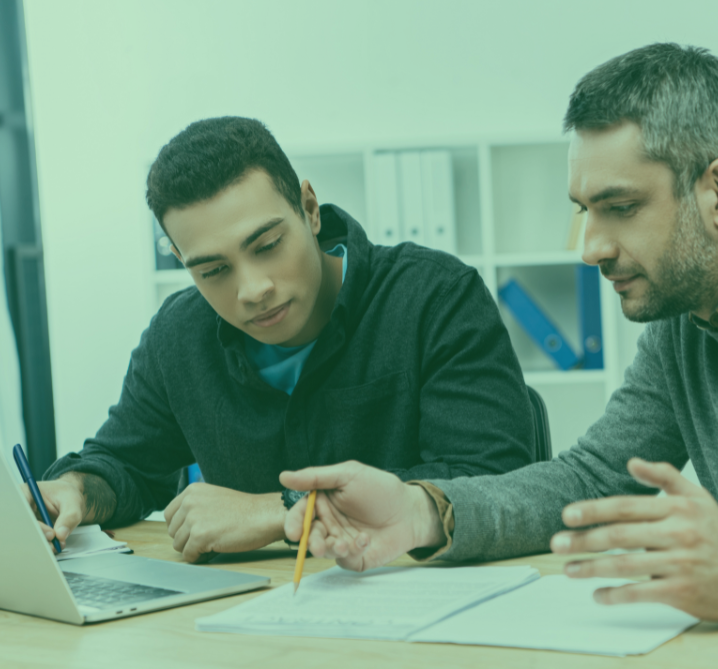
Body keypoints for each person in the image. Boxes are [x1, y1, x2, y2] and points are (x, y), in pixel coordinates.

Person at [280, 43, 718, 626]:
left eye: (621, 208)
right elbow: (594, 477)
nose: (590, 248)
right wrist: (422, 511)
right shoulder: (689, 311)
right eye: (584, 210)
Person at [24, 117, 537, 562]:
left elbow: (491, 485)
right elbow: (126, 465)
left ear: (309, 208)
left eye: (267, 245)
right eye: (212, 270)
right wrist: (75, 490)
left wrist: (278, 511)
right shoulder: (179, 334)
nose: (253, 290)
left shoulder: (435, 297)